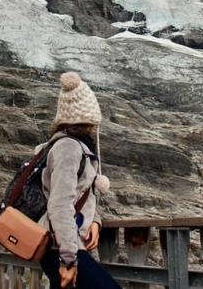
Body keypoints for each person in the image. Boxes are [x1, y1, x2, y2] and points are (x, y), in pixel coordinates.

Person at [37, 72, 121, 289]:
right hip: (61, 247)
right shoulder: (69, 147)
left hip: (66, 244)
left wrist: (95, 220)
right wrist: (68, 259)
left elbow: (82, 193)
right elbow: (60, 203)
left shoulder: (77, 147)